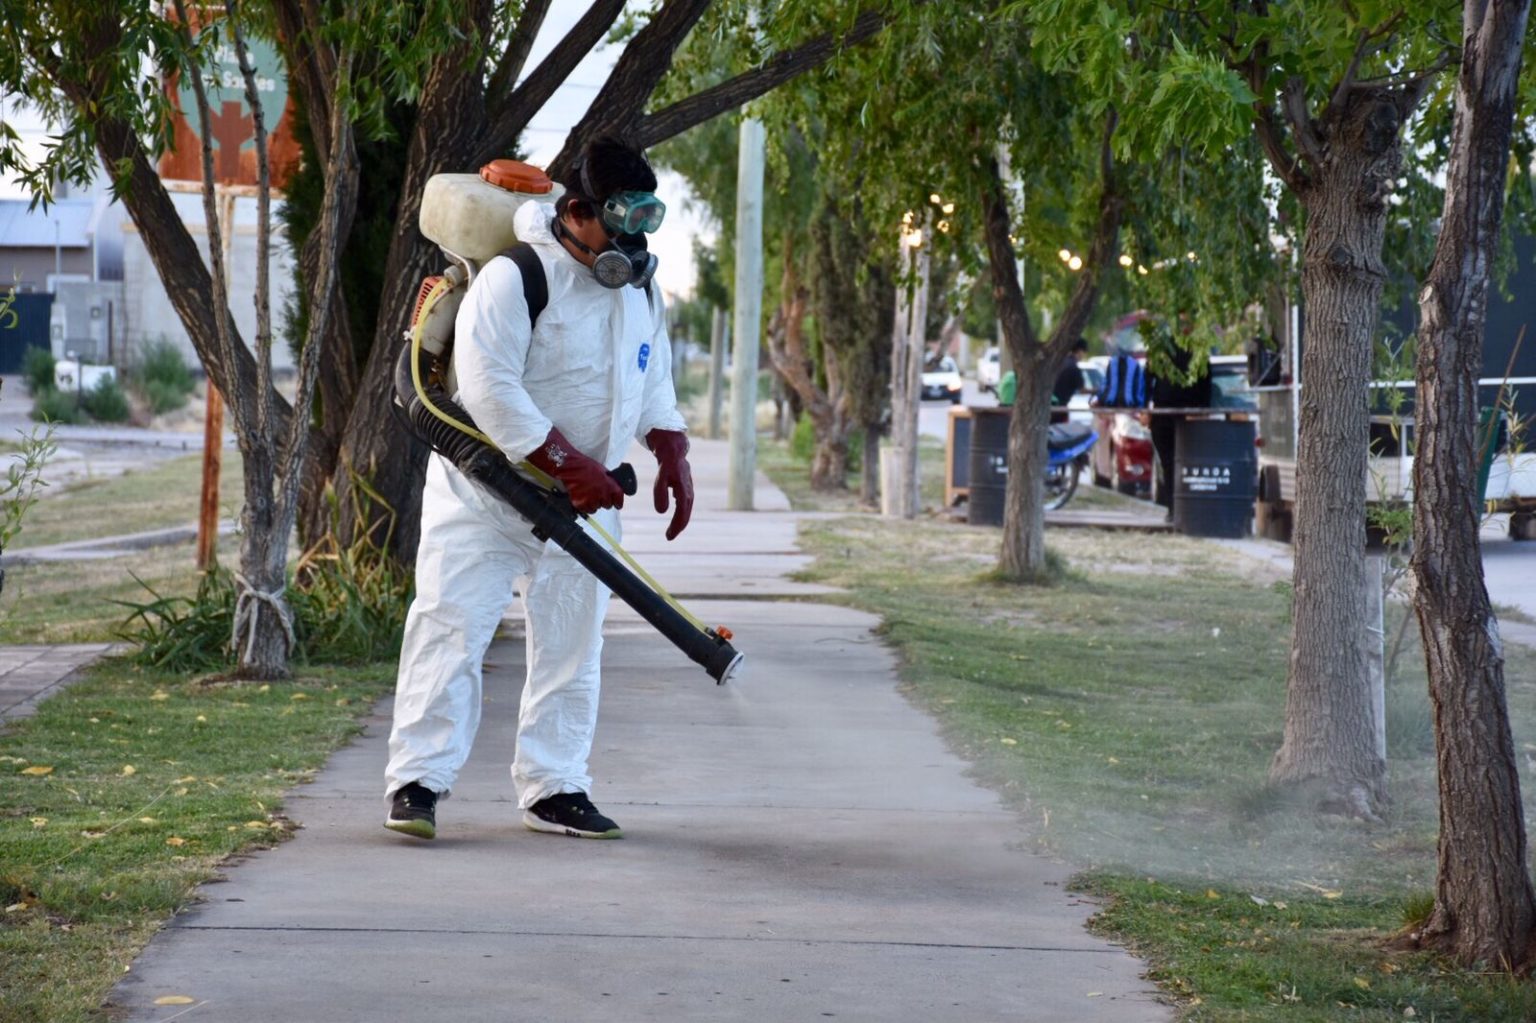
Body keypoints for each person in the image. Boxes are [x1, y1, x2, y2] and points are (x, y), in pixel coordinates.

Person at [383, 136, 692, 842]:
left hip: (585, 506)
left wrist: (669, 447)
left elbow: (651, 377)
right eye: (618, 222)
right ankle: (417, 782)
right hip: (488, 497)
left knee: (573, 644)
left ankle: (556, 787)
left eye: (644, 221)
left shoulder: (639, 287)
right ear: (576, 211)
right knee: (451, 626)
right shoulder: (518, 278)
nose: (630, 241)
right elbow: (491, 387)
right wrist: (564, 461)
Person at [1148, 341, 1212, 519]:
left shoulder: (1163, 349)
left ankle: (1178, 509)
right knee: (1174, 464)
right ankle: (1177, 509)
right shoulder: (1195, 350)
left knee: (1174, 465)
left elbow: (1148, 380)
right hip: (1176, 415)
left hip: (1179, 414)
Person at [1051, 337, 1089, 423]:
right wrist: (1099, 390)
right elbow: (1083, 390)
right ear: (1080, 351)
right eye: (1084, 352)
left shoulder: (1060, 362)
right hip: (1060, 408)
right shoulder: (1074, 368)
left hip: (1048, 406)